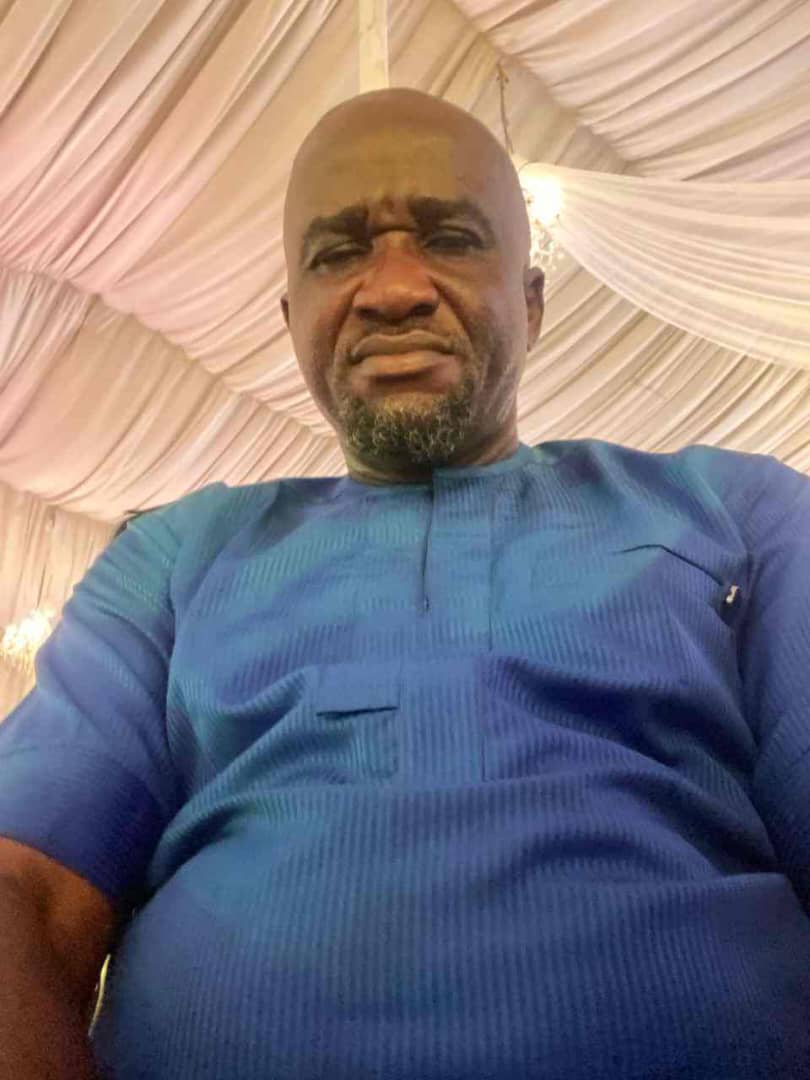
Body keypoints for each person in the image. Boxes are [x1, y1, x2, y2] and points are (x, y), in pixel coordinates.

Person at [0, 87, 809, 1080]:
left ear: (532, 302)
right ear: (291, 318)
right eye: (338, 253)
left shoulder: (738, 514)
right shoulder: (176, 556)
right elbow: (24, 891)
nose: (390, 289)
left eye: (452, 239)